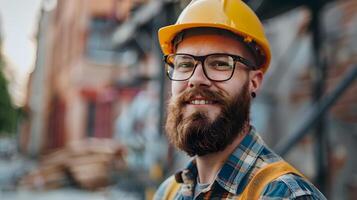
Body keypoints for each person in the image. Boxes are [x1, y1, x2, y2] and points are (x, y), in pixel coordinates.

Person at [154, 0, 326, 199]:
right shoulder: (168, 192)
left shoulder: (284, 195)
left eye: (219, 63)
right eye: (184, 63)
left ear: (254, 82)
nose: (196, 79)